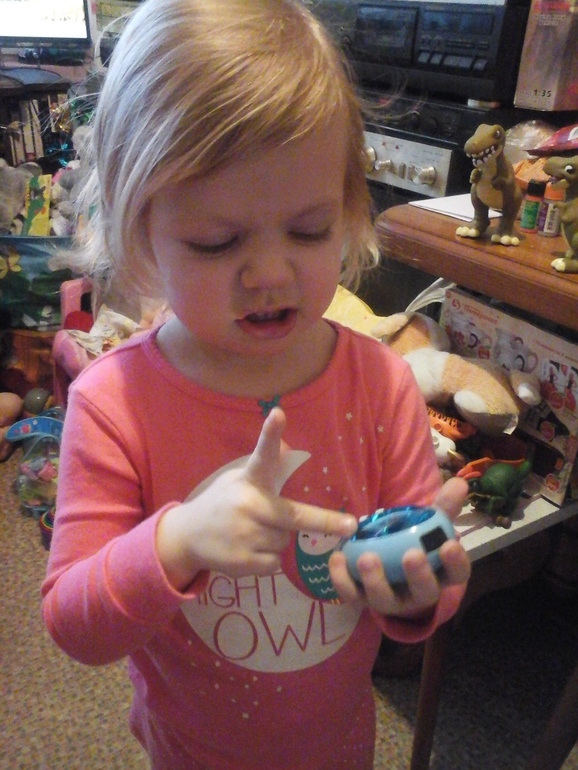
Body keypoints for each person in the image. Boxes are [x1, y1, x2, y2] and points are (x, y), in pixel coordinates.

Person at [41, 0, 471, 767]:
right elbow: (75, 625)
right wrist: (176, 541)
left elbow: (419, 584)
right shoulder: (113, 403)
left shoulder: (379, 382)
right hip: (190, 751)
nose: (270, 272)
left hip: (340, 747)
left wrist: (419, 586)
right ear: (140, 232)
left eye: (309, 230)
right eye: (216, 241)